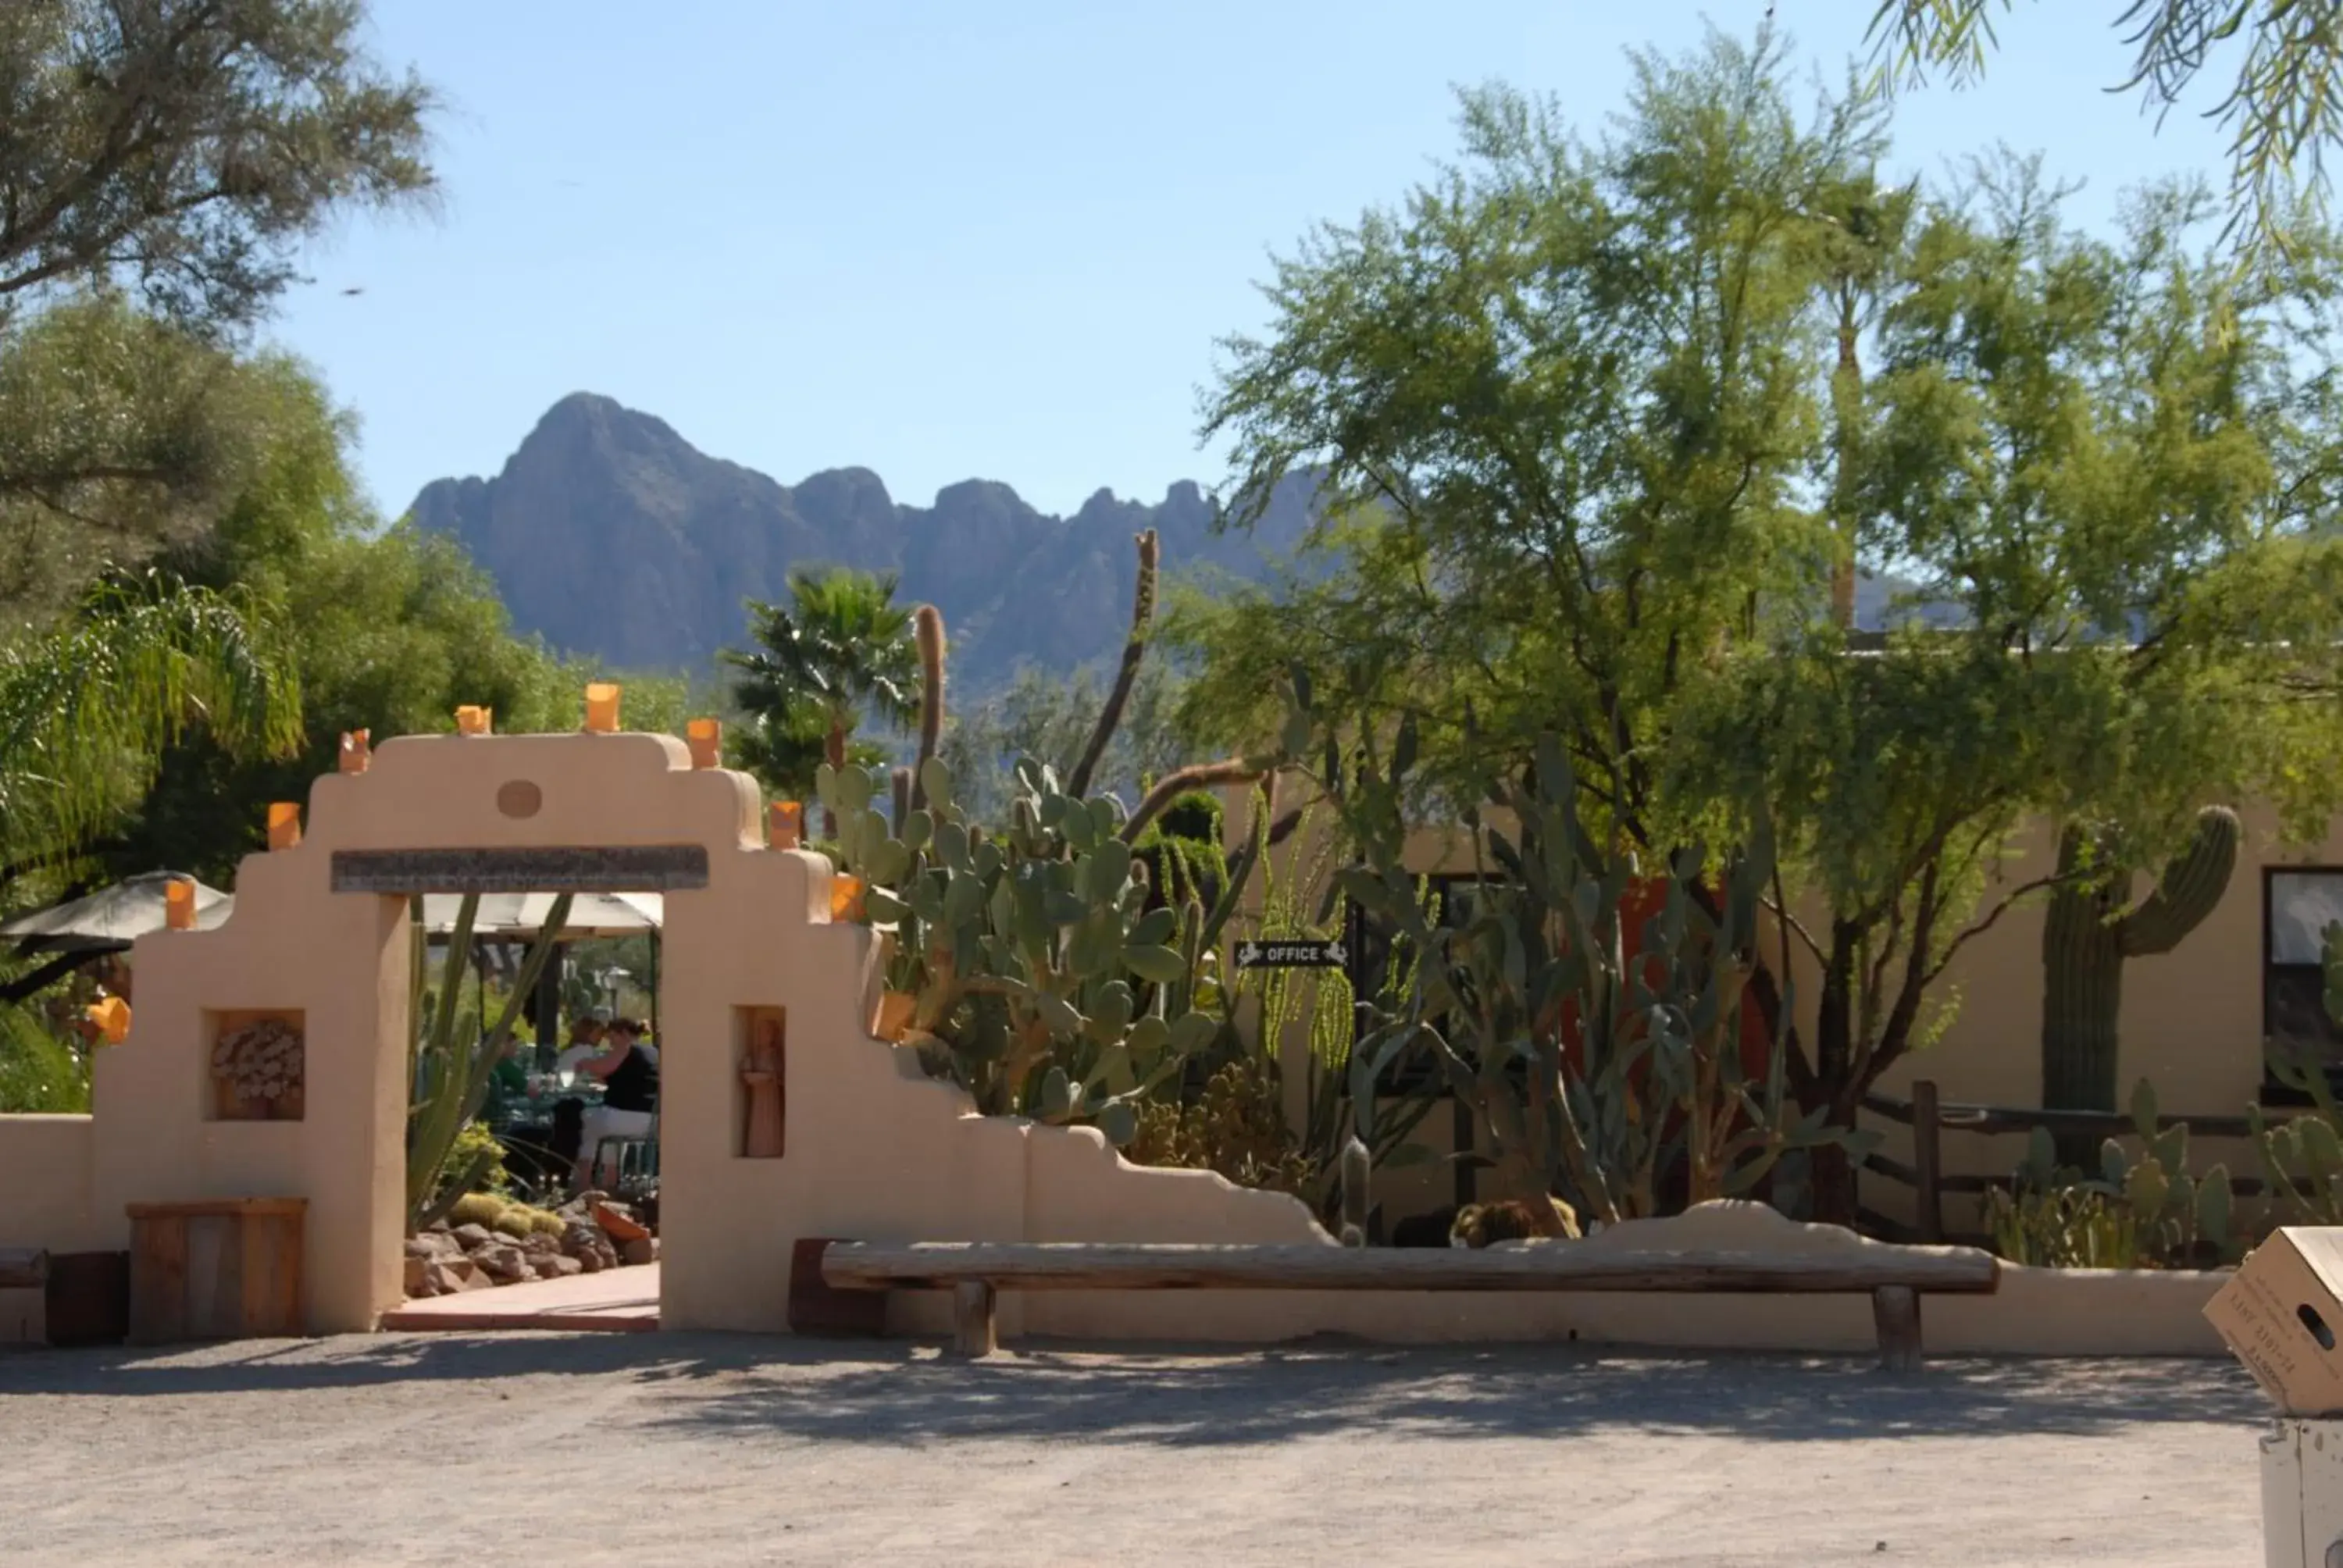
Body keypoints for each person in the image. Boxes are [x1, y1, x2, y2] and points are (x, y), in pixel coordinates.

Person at [572, 1016, 658, 1189]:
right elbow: (626, 1077)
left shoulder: (626, 1048)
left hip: (628, 1116)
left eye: (612, 1038)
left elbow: (602, 1067)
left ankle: (582, 1182)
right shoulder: (652, 1052)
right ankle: (610, 1181)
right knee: (606, 1129)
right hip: (651, 1121)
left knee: (586, 1120)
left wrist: (582, 1063)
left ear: (624, 1034)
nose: (611, 1044)